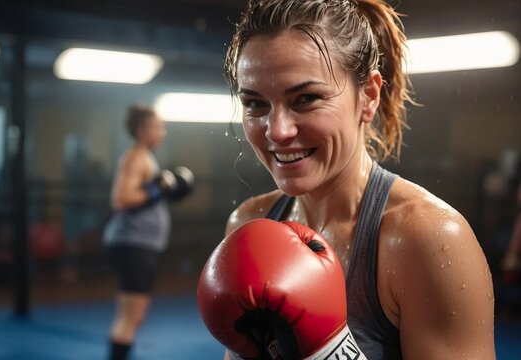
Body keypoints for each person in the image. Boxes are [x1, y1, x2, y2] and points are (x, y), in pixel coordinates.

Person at [202, 0, 495, 359]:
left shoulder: (424, 238)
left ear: (368, 96)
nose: (276, 131)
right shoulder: (248, 224)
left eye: (306, 98)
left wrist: (330, 348)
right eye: (255, 104)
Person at [103, 104, 193, 360]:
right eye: (158, 127)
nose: (162, 132)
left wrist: (160, 189)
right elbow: (121, 199)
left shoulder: (145, 157)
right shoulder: (135, 157)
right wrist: (159, 189)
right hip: (133, 243)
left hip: (139, 244)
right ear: (143, 130)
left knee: (133, 317)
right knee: (130, 318)